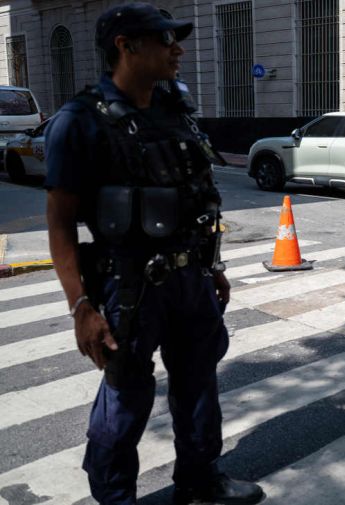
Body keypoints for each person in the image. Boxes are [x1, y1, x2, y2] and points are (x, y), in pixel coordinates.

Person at [44, 4, 263, 504]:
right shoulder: (80, 121)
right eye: (165, 40)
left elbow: (197, 198)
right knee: (126, 396)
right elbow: (59, 222)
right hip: (129, 287)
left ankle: (200, 480)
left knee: (198, 383)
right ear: (126, 46)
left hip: (191, 281)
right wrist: (80, 306)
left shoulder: (174, 109)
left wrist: (213, 267)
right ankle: (116, 498)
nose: (177, 49)